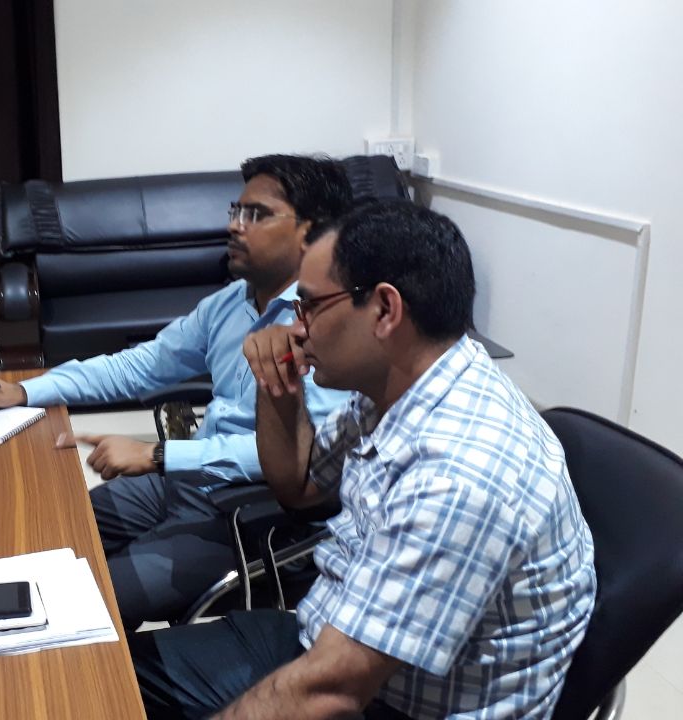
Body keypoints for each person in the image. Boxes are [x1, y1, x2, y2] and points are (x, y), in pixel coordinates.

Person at [132, 201, 596, 719]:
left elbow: (332, 692)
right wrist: (277, 386)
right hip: (330, 636)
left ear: (384, 310)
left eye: (309, 305)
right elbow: (300, 486)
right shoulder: (396, 386)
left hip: (383, 700)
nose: (296, 328)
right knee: (108, 675)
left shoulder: (459, 473)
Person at [0, 155, 353, 628]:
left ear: (312, 232)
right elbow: (141, 366)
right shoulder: (231, 302)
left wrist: (159, 454)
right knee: (45, 529)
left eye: (256, 214)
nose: (234, 225)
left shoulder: (326, 327)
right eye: (235, 210)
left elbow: (308, 458)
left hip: (253, 515)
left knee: (85, 604)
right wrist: (27, 391)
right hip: (187, 483)